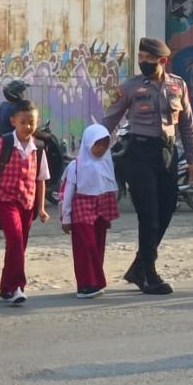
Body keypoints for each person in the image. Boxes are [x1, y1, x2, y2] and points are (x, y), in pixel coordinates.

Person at [102, 37, 193, 295]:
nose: (143, 62)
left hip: (168, 153)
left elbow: (187, 124)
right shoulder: (130, 87)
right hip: (139, 153)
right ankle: (149, 274)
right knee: (149, 216)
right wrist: (92, 150)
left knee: (166, 211)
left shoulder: (178, 85)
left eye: (149, 58)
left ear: (163, 60)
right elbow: (109, 120)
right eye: (141, 57)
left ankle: (138, 267)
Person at [0, 99, 50, 304]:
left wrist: (41, 208)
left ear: (37, 122)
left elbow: (41, 180)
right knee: (15, 240)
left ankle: (6, 287)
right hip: (5, 200)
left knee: (19, 245)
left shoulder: (39, 148)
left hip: (27, 202)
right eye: (23, 122)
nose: (27, 126)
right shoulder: (2, 144)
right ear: (13, 121)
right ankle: (18, 286)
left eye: (31, 122)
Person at [59, 124, 119, 298]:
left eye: (105, 144)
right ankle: (85, 284)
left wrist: (108, 212)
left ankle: (96, 282)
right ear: (88, 143)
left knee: (98, 244)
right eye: (97, 144)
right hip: (82, 208)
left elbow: (110, 186)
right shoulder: (76, 166)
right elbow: (68, 193)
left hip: (102, 207)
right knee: (86, 246)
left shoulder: (107, 163)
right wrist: (66, 217)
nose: (101, 148)